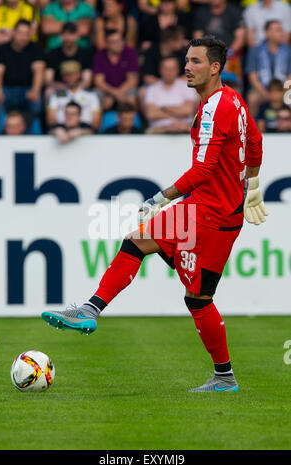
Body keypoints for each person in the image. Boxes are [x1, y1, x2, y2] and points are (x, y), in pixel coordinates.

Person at [41, 37, 269, 393]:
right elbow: (254, 142)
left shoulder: (214, 108)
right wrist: (251, 187)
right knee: (170, 273)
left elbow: (204, 169)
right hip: (221, 212)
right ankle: (91, 309)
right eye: (186, 60)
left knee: (192, 293)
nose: (186, 67)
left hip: (208, 212)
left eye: (195, 61)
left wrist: (161, 197)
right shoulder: (235, 102)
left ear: (215, 67)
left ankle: (223, 377)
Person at [0, 19, 45, 120]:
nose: (23, 37)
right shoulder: (2, 49)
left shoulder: (35, 48)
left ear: (30, 34)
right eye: (20, 33)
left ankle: (31, 132)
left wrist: (35, 91)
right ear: (14, 32)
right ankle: (2, 130)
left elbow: (39, 70)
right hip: (6, 89)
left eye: (26, 33)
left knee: (37, 103)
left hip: (27, 90)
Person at [246, 20, 291, 117]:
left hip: (283, 88)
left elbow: (290, 76)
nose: (281, 33)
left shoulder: (288, 51)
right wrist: (266, 93)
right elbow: (252, 76)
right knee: (252, 99)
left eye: (281, 30)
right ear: (268, 33)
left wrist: (281, 92)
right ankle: (252, 129)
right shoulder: (255, 50)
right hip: (262, 88)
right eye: (278, 30)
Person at [143, 55, 198, 134]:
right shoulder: (152, 89)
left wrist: (163, 108)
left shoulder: (187, 86)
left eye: (172, 69)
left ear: (177, 70)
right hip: (159, 130)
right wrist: (172, 121)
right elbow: (151, 114)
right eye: (166, 69)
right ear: (160, 70)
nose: (169, 72)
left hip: (184, 128)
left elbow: (188, 110)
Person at [46, 60, 102, 131]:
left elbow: (96, 123)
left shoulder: (91, 95)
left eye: (72, 74)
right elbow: (51, 121)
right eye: (66, 75)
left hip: (86, 133)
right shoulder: (56, 96)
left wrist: (80, 131)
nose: (69, 78)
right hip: (61, 132)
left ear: (79, 74)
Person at [93, 29, 139, 111]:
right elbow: (99, 82)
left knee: (131, 99)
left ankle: (133, 123)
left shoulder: (130, 52)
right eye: (114, 42)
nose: (119, 44)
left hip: (125, 89)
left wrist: (118, 94)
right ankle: (99, 123)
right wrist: (114, 94)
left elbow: (132, 80)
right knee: (96, 99)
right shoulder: (99, 55)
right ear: (107, 44)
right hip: (107, 91)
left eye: (120, 40)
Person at [44, 22, 93, 97]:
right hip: (59, 90)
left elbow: (87, 81)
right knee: (49, 92)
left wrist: (74, 90)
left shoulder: (85, 54)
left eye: (71, 34)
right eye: (64, 34)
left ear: (77, 36)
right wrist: (63, 88)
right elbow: (48, 80)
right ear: (60, 36)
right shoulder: (52, 54)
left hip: (80, 90)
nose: (67, 37)